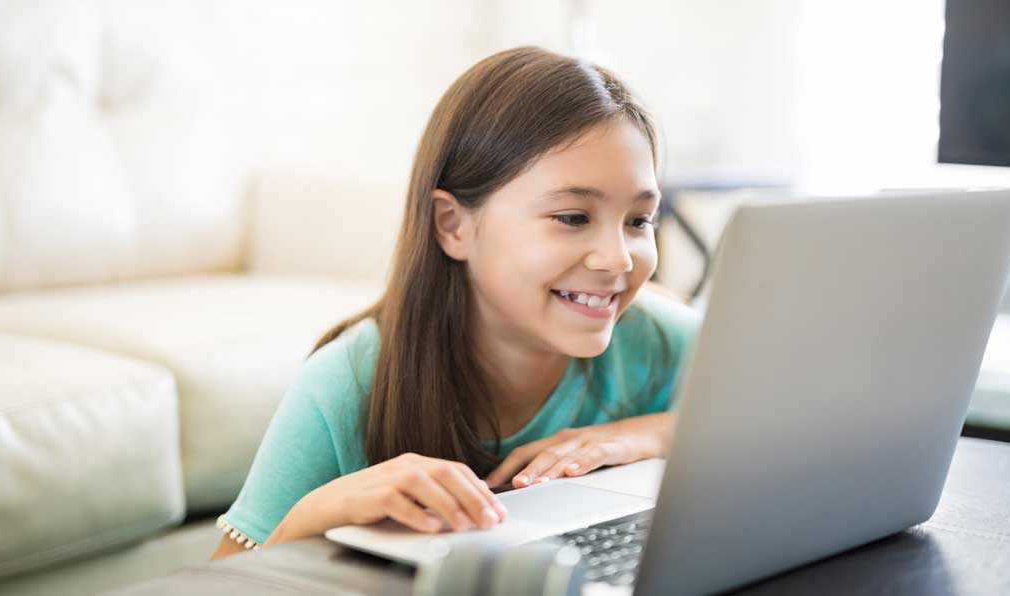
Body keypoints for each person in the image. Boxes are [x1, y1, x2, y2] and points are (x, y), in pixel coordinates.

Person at [212, 45, 702, 559]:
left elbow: (789, 429)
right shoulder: (351, 380)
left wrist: (647, 435)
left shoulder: (664, 341)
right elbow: (225, 578)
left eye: (638, 221)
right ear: (453, 225)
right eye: (573, 217)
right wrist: (319, 512)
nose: (618, 259)